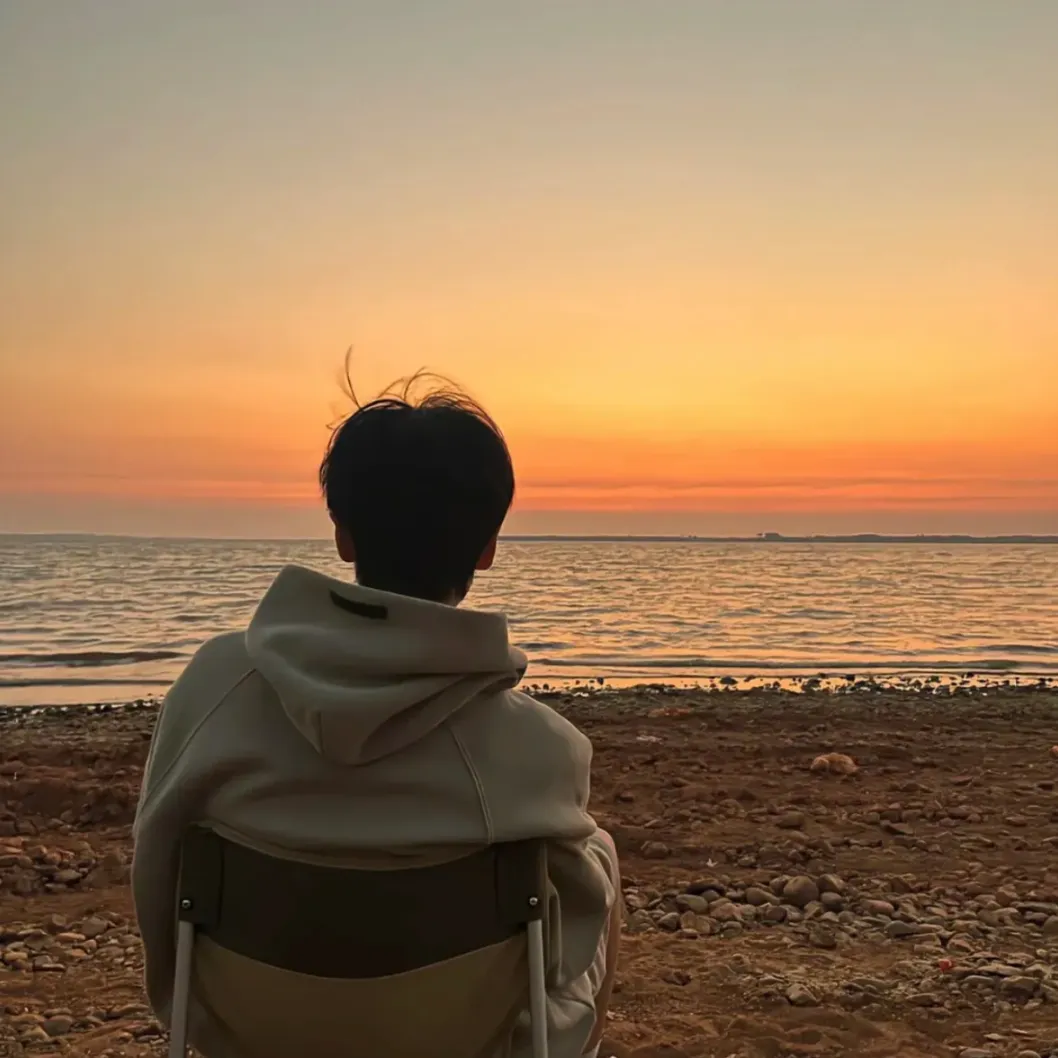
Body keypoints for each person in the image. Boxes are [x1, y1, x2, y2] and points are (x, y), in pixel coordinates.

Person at [131, 371, 621, 1058]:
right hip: (458, 1035)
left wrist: (181, 1005)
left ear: (343, 534)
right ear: (487, 547)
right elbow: (571, 943)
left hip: (251, 1028)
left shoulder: (215, 688)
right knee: (598, 858)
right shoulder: (539, 749)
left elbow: (156, 858)